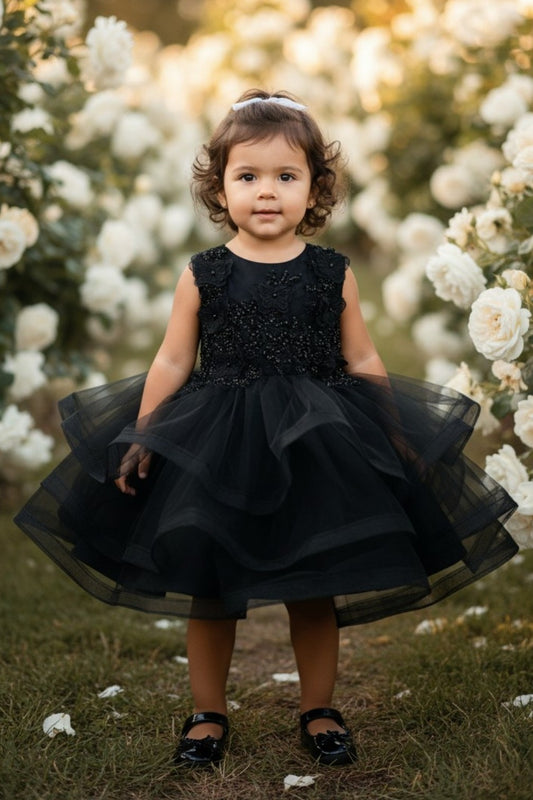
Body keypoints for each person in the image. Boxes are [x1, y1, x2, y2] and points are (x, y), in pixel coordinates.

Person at [15, 89, 518, 769]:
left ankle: (318, 706)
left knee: (313, 579)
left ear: (315, 188)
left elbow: (363, 356)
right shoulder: (205, 274)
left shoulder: (330, 273)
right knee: (210, 584)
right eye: (247, 176)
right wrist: (141, 433)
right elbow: (171, 358)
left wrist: (393, 432)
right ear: (219, 188)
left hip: (315, 443)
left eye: (286, 176)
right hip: (217, 440)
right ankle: (206, 712)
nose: (266, 192)